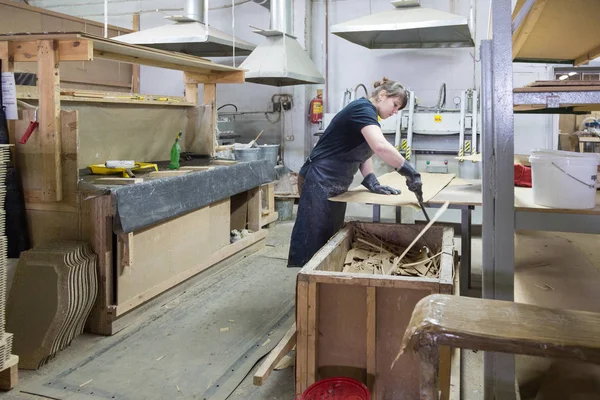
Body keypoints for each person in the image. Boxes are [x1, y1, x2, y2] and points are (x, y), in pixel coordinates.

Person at [287, 77, 423, 268]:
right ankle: (308, 287)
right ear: (382, 95)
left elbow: (362, 151)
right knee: (313, 239)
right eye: (395, 105)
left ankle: (323, 279)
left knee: (329, 236)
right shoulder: (363, 109)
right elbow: (380, 146)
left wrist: (371, 180)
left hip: (333, 183)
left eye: (398, 109)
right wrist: (410, 172)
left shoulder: (369, 115)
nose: (395, 112)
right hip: (319, 178)